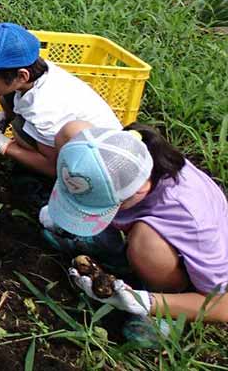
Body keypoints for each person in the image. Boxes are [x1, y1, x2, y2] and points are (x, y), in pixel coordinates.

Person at [45, 122, 228, 339]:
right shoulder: (116, 150)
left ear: (140, 191)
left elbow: (221, 305)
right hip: (138, 222)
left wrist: (143, 301)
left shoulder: (190, 218)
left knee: (146, 242)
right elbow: (73, 134)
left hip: (177, 263)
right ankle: (110, 245)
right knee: (72, 130)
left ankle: (164, 300)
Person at [0, 22, 121, 177]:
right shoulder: (37, 73)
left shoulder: (43, 109)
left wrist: (0, 143)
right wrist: (6, 116)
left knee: (20, 131)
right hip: (77, 138)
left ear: (22, 75)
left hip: (102, 168)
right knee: (6, 99)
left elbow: (53, 167)